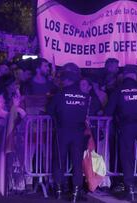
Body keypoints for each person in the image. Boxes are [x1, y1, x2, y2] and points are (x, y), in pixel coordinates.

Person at [104, 64, 137, 201]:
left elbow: (108, 111)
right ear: (135, 75)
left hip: (125, 127)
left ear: (124, 75)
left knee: (127, 158)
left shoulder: (118, 90)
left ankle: (130, 189)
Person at [47, 63, 90, 202]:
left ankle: (59, 190)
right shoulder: (84, 96)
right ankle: (76, 192)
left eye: (63, 79)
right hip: (78, 133)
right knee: (77, 163)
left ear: (66, 80)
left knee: (59, 161)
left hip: (62, 132)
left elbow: (50, 111)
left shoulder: (60, 95)